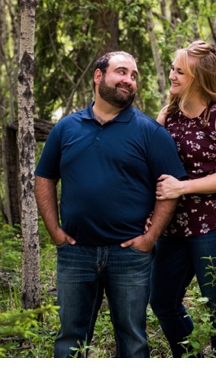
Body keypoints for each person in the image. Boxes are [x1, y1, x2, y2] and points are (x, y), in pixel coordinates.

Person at [35, 50, 187, 358]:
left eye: (133, 76)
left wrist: (149, 238)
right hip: (76, 254)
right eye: (121, 72)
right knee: (69, 341)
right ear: (98, 76)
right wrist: (54, 231)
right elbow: (44, 177)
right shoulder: (66, 128)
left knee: (133, 340)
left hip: (129, 256)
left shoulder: (150, 132)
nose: (129, 81)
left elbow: (170, 189)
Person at [150, 40, 216, 358]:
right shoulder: (169, 115)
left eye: (181, 71)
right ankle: (189, 357)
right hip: (176, 225)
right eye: (172, 69)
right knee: (162, 299)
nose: (172, 76)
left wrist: (183, 187)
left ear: (199, 78)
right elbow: (153, 164)